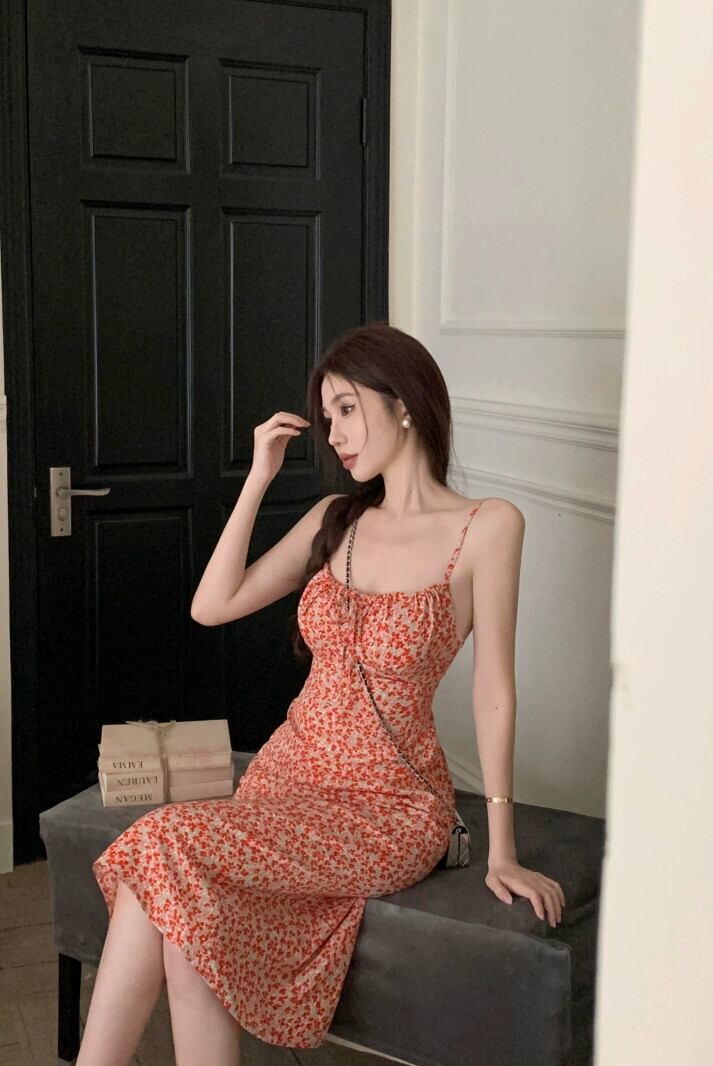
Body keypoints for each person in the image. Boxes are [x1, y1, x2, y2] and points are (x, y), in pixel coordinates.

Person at [81, 322, 565, 1066]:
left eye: (346, 409)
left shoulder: (487, 527)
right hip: (287, 777)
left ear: (404, 403)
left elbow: (494, 691)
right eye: (326, 414)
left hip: (387, 806)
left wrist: (503, 850)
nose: (333, 434)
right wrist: (257, 478)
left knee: (162, 842)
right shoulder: (335, 520)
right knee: (184, 911)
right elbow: (212, 606)